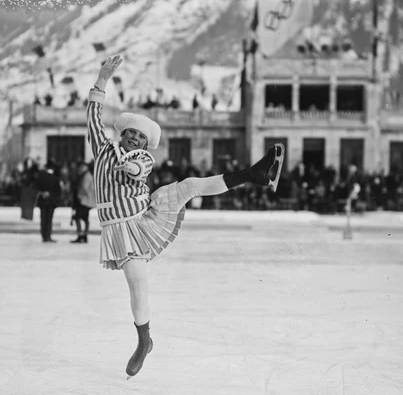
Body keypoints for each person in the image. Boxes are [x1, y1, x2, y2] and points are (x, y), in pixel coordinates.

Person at [87, 55, 284, 378]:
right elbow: (92, 117)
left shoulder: (141, 157)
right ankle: (145, 338)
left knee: (190, 186)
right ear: (121, 133)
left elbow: (141, 169)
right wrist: (102, 80)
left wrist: (132, 167)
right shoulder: (104, 150)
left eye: (141, 139)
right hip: (118, 229)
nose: (135, 140)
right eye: (131, 135)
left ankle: (253, 174)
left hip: (143, 219)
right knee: (136, 286)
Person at [34, 162, 62, 243]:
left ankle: (44, 236)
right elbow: (58, 191)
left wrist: (42, 193)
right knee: (49, 220)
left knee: (43, 219)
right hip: (51, 201)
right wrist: (50, 194)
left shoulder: (40, 177)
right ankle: (48, 236)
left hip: (43, 201)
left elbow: (35, 187)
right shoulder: (55, 178)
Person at [70, 160, 96, 244]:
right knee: (84, 218)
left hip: (83, 201)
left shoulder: (86, 175)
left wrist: (80, 197)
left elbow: (85, 188)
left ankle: (82, 234)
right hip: (85, 200)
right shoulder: (86, 175)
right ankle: (83, 235)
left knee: (79, 218)